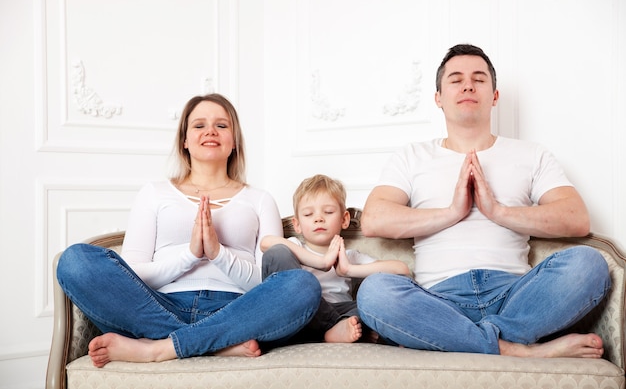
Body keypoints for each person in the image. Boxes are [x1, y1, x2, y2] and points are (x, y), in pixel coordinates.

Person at [356, 44, 611, 358]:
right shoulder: (411, 156)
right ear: (438, 98)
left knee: (589, 265)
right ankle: (520, 350)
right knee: (374, 292)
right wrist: (452, 212)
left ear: (494, 96)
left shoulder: (531, 154)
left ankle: (468, 340)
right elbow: (373, 220)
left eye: (479, 79)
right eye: (455, 79)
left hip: (514, 297)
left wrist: (497, 211)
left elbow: (575, 217)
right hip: (438, 303)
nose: (467, 85)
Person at [56, 93, 321, 367]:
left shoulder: (260, 199)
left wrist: (218, 254)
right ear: (184, 141)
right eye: (198, 125)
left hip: (236, 311)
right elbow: (133, 273)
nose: (210, 131)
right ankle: (213, 344)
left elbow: (264, 283)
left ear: (234, 141)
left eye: (221, 125)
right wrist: (191, 255)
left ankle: (158, 349)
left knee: (301, 285)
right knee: (75, 260)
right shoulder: (154, 193)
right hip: (158, 307)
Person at [261, 174, 410, 343]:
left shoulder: (349, 256)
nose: (318, 218)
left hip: (341, 312)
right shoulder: (295, 245)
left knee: (373, 305)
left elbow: (401, 269)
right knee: (278, 253)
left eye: (328, 212)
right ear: (297, 225)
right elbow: (266, 243)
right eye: (309, 214)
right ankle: (332, 328)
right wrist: (322, 262)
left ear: (344, 219)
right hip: (300, 313)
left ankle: (330, 331)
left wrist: (348, 269)